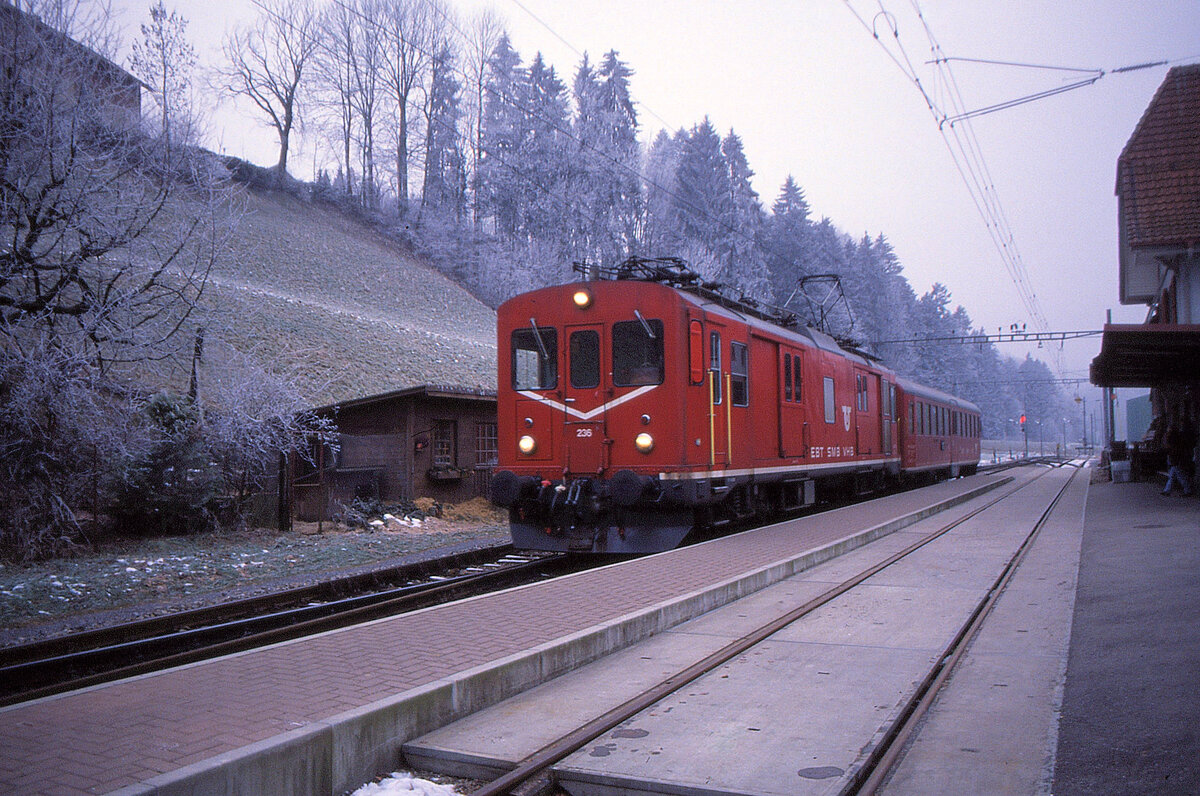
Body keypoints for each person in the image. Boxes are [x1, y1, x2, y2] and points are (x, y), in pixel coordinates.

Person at [1161, 418, 1196, 496]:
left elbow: (1171, 447)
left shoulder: (1173, 437)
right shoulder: (1179, 435)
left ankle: (1187, 490)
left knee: (1179, 475)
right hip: (1176, 458)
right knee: (1173, 475)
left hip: (1175, 458)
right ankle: (1167, 490)